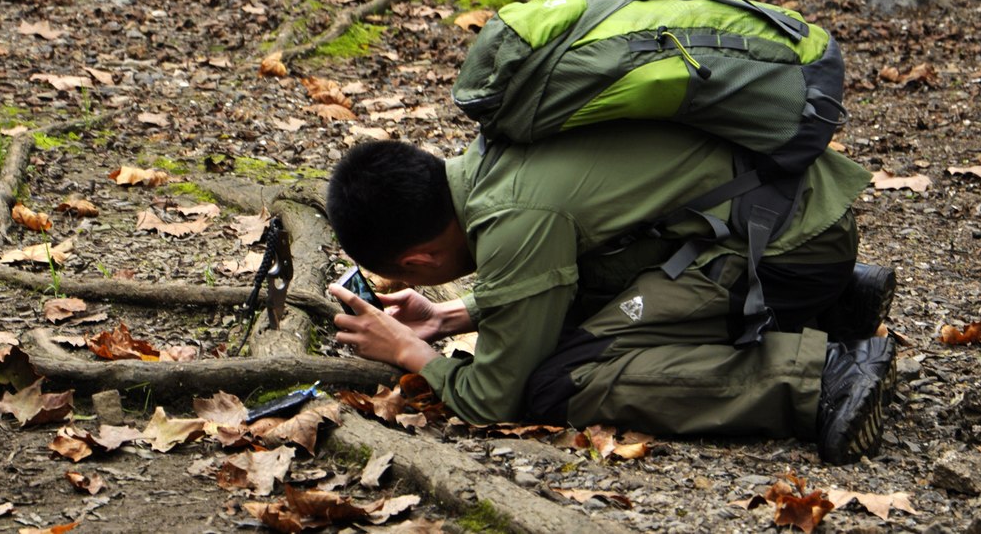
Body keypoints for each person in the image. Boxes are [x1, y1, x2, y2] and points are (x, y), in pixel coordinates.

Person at [326, 121, 897, 464]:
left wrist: (409, 351)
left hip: (783, 255)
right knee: (573, 317)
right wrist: (454, 316)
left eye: (413, 277)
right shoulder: (491, 161)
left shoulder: (515, 219)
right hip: (797, 217)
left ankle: (822, 376)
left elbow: (493, 399)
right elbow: (567, 269)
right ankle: (836, 304)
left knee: (558, 380)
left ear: (417, 260)